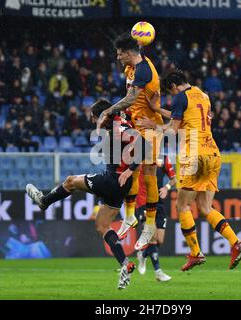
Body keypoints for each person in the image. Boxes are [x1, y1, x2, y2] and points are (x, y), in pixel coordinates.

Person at [26, 99, 146, 289]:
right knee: (102, 225)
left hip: (113, 180)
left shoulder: (118, 126)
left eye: (94, 117)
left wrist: (129, 170)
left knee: (70, 181)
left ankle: (44, 201)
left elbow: (143, 144)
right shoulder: (118, 122)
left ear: (103, 116)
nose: (92, 121)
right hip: (120, 185)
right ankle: (125, 264)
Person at [138, 70, 241, 271]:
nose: (172, 97)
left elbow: (173, 129)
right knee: (206, 207)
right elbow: (181, 116)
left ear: (173, 87)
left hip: (194, 154)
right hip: (213, 153)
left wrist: (152, 125)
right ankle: (236, 243)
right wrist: (158, 109)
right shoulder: (202, 95)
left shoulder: (181, 97)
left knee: (182, 206)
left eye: (170, 93)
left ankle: (196, 253)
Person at [96, 34, 164, 251]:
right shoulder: (131, 68)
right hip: (136, 124)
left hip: (151, 125)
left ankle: (150, 227)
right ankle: (131, 216)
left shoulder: (144, 70)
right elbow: (129, 98)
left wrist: (109, 111)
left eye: (119, 54)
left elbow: (133, 98)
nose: (117, 58)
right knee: (129, 170)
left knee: (150, 175)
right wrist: (123, 116)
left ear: (128, 53)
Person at [135, 155, 176, 282]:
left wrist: (166, 187)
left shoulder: (164, 159)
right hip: (143, 202)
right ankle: (158, 272)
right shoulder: (138, 159)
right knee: (151, 236)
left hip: (159, 202)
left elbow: (174, 179)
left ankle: (143, 254)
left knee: (159, 240)